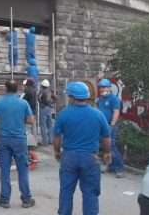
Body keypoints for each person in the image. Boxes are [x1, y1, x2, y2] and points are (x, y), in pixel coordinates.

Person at [53, 82, 111, 215]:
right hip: (90, 158)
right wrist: (107, 152)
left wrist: (57, 151)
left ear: (72, 97)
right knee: (90, 193)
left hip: (69, 157)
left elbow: (57, 137)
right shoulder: (98, 114)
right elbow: (106, 137)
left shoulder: (64, 114)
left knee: (66, 191)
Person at [0, 80, 36, 209]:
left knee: (4, 170)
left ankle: (4, 199)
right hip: (19, 140)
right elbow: (31, 120)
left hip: (4, 140)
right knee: (23, 170)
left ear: (6, 89)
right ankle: (26, 199)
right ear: (17, 89)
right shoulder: (23, 103)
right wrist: (20, 119)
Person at [96, 78, 124, 178]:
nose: (102, 89)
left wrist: (112, 124)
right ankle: (110, 165)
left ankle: (120, 168)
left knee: (111, 146)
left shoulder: (114, 99)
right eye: (100, 87)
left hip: (110, 125)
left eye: (104, 87)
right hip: (102, 125)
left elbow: (116, 112)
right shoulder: (100, 99)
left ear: (109, 88)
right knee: (105, 147)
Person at [39, 79, 56, 145]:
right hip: (50, 109)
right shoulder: (50, 91)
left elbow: (38, 98)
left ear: (42, 85)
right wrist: (51, 103)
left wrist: (42, 103)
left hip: (43, 108)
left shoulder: (41, 91)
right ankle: (51, 140)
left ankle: (45, 142)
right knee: (50, 125)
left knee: (43, 125)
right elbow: (56, 98)